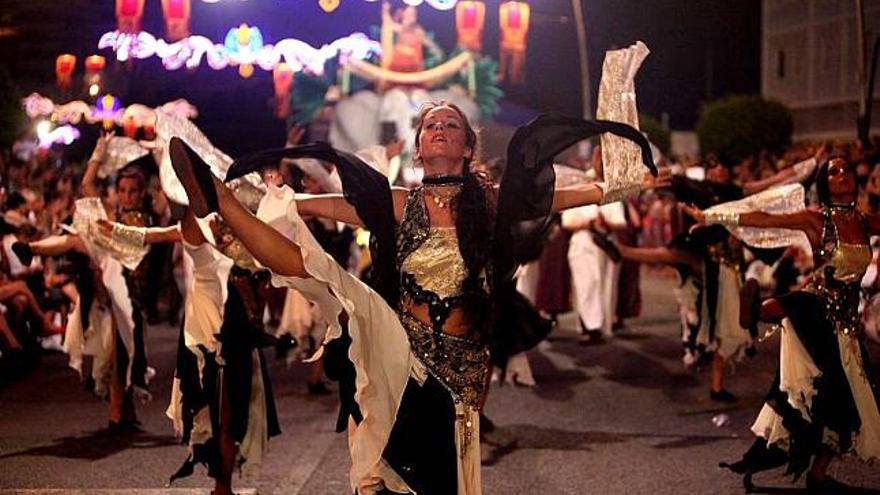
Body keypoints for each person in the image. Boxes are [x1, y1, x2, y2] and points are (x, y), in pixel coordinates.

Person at [166, 101, 659, 494]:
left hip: (463, 364)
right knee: (318, 270)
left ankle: (228, 201)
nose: (439, 129)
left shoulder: (490, 203)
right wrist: (273, 199)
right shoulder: (400, 203)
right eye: (429, 127)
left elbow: (568, 197)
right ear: (419, 151)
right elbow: (318, 206)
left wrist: (620, 186)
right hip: (400, 351)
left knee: (438, 480)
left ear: (468, 147)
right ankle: (224, 199)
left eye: (450, 125)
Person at [686, 158, 880, 492]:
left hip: (846, 327)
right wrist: (711, 216)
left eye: (847, 169)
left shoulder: (864, 222)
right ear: (823, 183)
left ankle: (818, 476)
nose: (843, 175)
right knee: (803, 306)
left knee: (843, 406)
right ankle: (758, 311)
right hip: (818, 309)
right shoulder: (816, 218)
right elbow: (764, 218)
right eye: (833, 171)